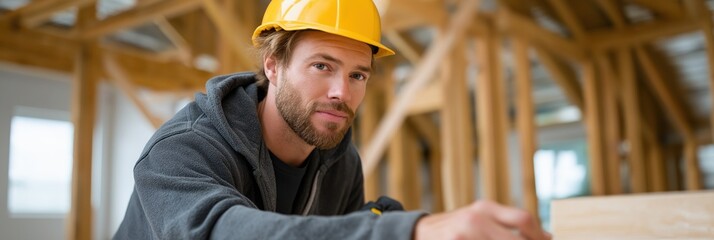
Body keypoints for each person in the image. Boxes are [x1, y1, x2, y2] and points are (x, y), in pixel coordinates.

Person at [114, 0, 551, 239]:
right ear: (273, 66)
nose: (342, 92)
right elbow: (221, 233)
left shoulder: (338, 160)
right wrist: (407, 233)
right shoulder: (183, 148)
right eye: (322, 66)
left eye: (357, 74)